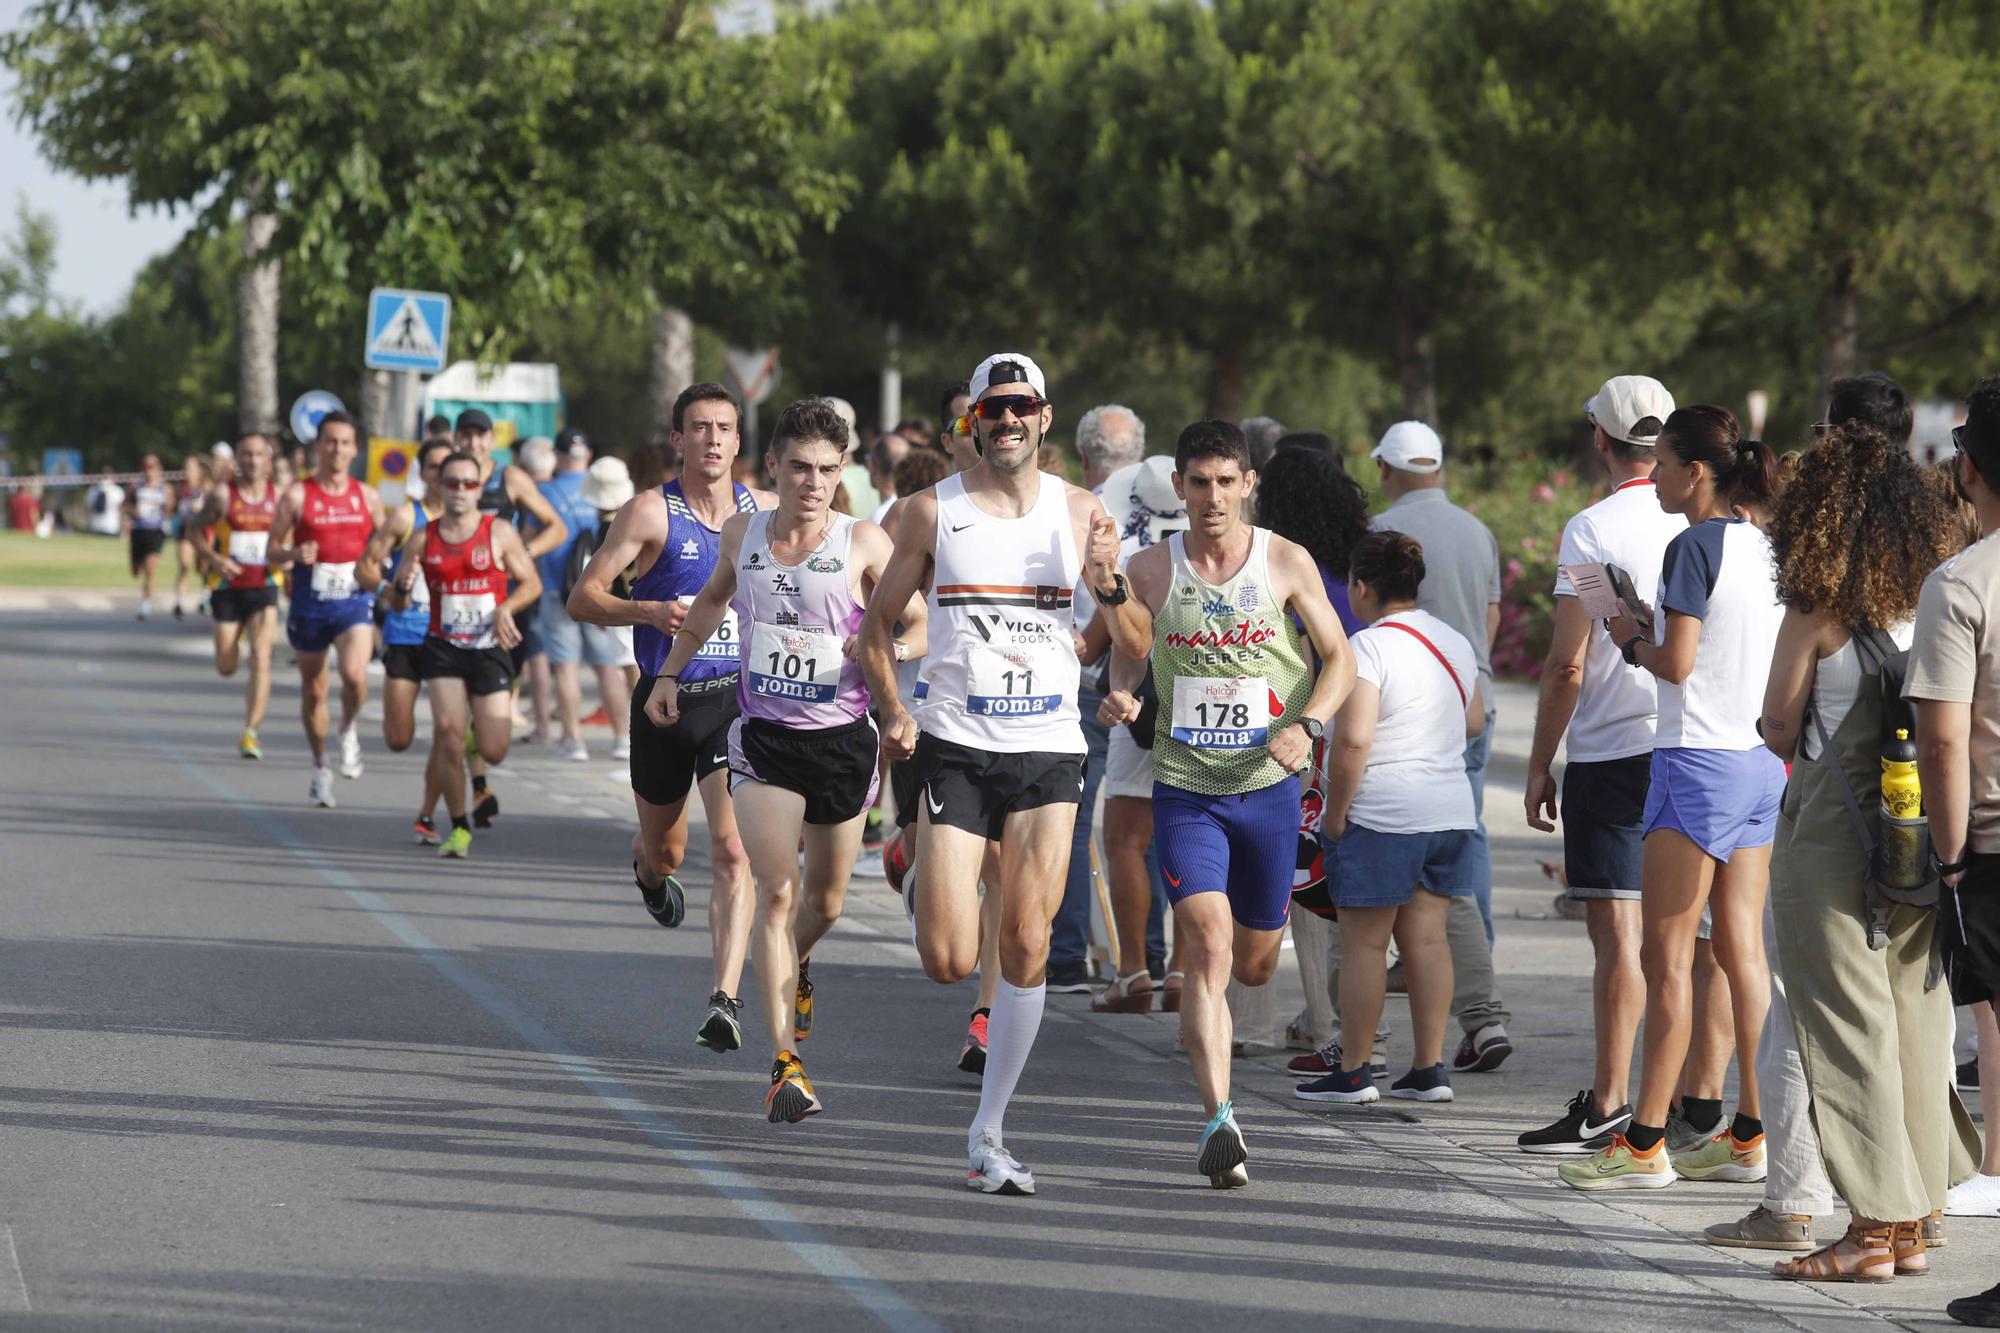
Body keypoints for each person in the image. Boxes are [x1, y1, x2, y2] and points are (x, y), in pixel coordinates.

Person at [859, 351, 1110, 1196]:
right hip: (957, 743)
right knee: (945, 954)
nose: (1006, 421)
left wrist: (1111, 594)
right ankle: (928, 865)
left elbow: (1137, 642)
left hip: (1049, 746)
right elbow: (876, 627)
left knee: (1029, 940)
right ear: (973, 421)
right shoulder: (932, 512)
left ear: (1044, 417)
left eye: (1020, 408)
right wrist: (894, 707)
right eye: (991, 409)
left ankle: (990, 1127)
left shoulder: (1083, 513)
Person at [1742, 419, 1980, 1276]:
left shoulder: (1817, 609)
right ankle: (1916, 1217)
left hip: (1831, 834)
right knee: (1916, 1018)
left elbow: (1777, 722)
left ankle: (1872, 1226)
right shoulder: (1935, 595)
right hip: (1915, 830)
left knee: (1842, 1022)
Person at [646, 397, 922, 1122]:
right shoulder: (745, 532)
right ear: (772, 466)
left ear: (841, 473)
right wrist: (670, 674)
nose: (812, 482)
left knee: (822, 902)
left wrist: (881, 662)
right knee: (774, 890)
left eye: (827, 470)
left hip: (841, 741)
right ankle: (785, 1063)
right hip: (764, 739)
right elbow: (710, 601)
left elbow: (914, 624)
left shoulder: (863, 542)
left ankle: (796, 961)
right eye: (799, 466)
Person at [1095, 419, 1353, 1185]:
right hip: (1188, 790)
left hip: (1269, 788)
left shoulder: (1283, 560)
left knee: (1252, 959)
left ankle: (1227, 1074)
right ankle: (1220, 1118)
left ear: (1248, 484)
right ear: (1179, 487)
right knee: (1205, 946)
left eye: (1225, 482)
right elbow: (1129, 652)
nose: (1211, 497)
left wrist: (1308, 726)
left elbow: (1339, 657)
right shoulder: (1148, 567)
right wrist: (1120, 698)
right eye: (1197, 482)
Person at [1560, 406, 1786, 1191]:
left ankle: (1645, 1141)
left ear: (1695, 471)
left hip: (1694, 764)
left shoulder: (1694, 544)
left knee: (1666, 960)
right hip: (1758, 764)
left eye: (1659, 463)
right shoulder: (1765, 544)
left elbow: (1679, 664)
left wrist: (1625, 635)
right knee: (1742, 952)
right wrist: (1650, 625)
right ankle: (1753, 1132)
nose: (1649, 475)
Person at [568, 384, 772, 1053]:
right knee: (667, 850)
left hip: (734, 703)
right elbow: (583, 598)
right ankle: (648, 872)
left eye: (724, 428)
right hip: (664, 698)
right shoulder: (650, 513)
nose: (713, 439)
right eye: (698, 428)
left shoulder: (765, 512)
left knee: (734, 850)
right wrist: (649, 612)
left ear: (739, 441)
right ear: (678, 439)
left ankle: (725, 997)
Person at [1516, 375, 1681, 1154]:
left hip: (1613, 748)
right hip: (1691, 742)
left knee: (1619, 937)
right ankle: (1698, 1100)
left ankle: (1612, 1099)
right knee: (1696, 938)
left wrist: (1540, 762)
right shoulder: (1711, 518)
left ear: (1599, 439)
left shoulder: (1590, 530)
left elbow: (1566, 663)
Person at [1295, 532, 1486, 1107]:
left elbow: (1353, 741)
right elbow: (1474, 720)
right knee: (1427, 942)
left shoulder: (1368, 648)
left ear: (1360, 586)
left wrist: (1334, 813)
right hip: (1449, 810)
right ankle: (1428, 1069)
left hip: (1382, 813)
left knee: (1364, 945)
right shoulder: (1453, 640)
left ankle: (1354, 1070)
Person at [1368, 421, 1514, 1074]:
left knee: (1372, 883)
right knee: (1462, 846)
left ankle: (1357, 1040)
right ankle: (1480, 1012)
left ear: (1385, 469)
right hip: (1468, 698)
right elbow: (1489, 618)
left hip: (1396, 701)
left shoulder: (1380, 534)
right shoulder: (1477, 529)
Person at [1909, 376, 2000, 1327]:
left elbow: (1943, 740)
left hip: (1993, 847)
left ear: (1969, 466)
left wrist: (1947, 859)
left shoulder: (1963, 582)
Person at [1255, 439, 1375, 1070]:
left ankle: (1325, 1020)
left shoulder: (1279, 561)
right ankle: (1349, 1015)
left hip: (1306, 725)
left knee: (1304, 879)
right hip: (1370, 712)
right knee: (1353, 877)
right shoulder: (1358, 553)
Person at [1052, 403, 1154, 995]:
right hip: (1170, 681)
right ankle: (1156, 959)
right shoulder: (1171, 493)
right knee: (1161, 822)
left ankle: (1068, 957)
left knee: (1077, 819)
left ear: (1086, 457)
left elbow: (1087, 628)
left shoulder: (1083, 510)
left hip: (1097, 682)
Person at [397, 451, 541, 859]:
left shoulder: (498, 533)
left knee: (494, 750)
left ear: (480, 489)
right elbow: (394, 601)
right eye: (453, 483)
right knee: (448, 736)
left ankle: (478, 731)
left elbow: (530, 584)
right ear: (439, 487)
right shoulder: (423, 538)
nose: (460, 491)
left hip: (488, 650)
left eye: (468, 483)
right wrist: (401, 589)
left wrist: (506, 608)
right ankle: (459, 825)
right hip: (443, 648)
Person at [1086, 450, 1184, 1012]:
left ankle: (1132, 971)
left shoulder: (1137, 558)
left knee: (1125, 840)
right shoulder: (1205, 548)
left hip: (1135, 694)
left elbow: (1111, 629)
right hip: (1197, 699)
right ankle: (1182, 969)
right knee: (1195, 835)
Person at [454, 409, 570, 821]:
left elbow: (556, 527)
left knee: (493, 713)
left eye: (479, 435)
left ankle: (482, 764)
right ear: (456, 438)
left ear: (490, 440)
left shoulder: (511, 479)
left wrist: (522, 555)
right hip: (460, 603)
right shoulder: (450, 480)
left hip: (511, 604)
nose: (472, 442)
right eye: (465, 435)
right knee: (464, 699)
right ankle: (479, 786)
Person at [267, 413, 386, 808]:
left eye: (345, 443)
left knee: (354, 677)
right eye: (330, 442)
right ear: (318, 447)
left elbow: (384, 545)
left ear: (355, 449)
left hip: (353, 601)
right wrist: (293, 553)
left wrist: (381, 573)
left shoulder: (367, 497)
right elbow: (272, 550)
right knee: (315, 690)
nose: (337, 450)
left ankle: (348, 727)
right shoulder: (297, 496)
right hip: (310, 604)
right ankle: (320, 767)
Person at [357, 438, 455, 841]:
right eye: (434, 467)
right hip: (405, 635)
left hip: (451, 639)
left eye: (449, 467)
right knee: (398, 739)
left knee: (447, 730)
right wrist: (388, 593)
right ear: (424, 473)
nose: (442, 475)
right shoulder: (404, 517)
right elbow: (364, 567)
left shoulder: (475, 523)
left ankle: (428, 814)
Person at [189, 432, 285, 759]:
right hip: (227, 588)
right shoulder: (222, 495)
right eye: (247, 454)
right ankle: (239, 638)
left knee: (261, 657)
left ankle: (251, 731)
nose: (253, 461)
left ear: (269, 461)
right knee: (227, 666)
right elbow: (193, 529)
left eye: (259, 455)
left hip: (265, 586)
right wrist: (215, 559)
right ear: (237, 460)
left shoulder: (280, 497)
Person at [515, 436, 560, 745]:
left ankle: (542, 723)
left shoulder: (535, 495)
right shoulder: (567, 490)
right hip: (574, 584)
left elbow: (523, 538)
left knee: (538, 654)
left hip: (538, 585)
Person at [126, 454, 174, 620]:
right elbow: (126, 505)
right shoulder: (135, 487)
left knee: (150, 569)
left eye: (152, 467)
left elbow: (170, 509)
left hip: (156, 531)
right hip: (139, 530)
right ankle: (138, 569)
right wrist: (133, 512)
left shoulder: (165, 489)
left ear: (159, 469)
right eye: (146, 467)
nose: (149, 471)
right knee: (136, 571)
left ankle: (146, 604)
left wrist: (168, 508)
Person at [170, 454, 210, 619]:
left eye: (190, 468)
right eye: (185, 468)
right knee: (184, 564)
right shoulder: (181, 488)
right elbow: (174, 508)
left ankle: (205, 598)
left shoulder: (207, 487)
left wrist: (201, 509)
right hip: (185, 530)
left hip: (202, 531)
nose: (187, 471)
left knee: (203, 568)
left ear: (200, 470)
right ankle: (179, 602)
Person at [86, 468, 124, 538]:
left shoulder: (93, 490)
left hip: (104, 526)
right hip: (106, 526)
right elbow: (120, 510)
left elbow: (89, 509)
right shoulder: (117, 491)